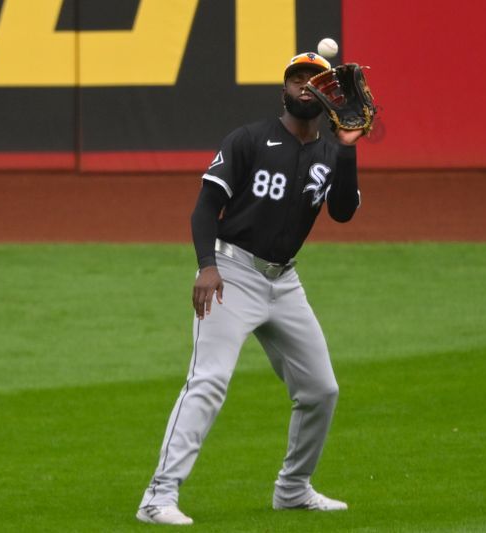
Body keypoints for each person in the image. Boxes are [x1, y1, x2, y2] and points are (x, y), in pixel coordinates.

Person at [136, 52, 365, 526]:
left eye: (314, 79)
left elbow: (342, 211)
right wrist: (206, 265)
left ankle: (293, 489)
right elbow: (205, 208)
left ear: (328, 94)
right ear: (283, 90)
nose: (305, 85)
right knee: (209, 380)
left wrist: (347, 146)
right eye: (297, 78)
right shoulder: (249, 139)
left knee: (321, 389)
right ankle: (157, 496)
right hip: (231, 272)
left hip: (285, 282)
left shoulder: (329, 152)